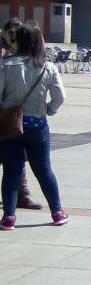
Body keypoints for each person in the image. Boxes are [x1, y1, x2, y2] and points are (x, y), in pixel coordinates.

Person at [0, 23, 69, 230]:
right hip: (37, 125)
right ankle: (57, 212)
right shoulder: (48, 67)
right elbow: (60, 97)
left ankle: (9, 217)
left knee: (11, 171)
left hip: (10, 124)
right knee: (44, 170)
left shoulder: (6, 65)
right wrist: (48, 109)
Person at [0, 19, 44, 212]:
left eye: (15, 34)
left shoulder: (21, 55)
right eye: (10, 33)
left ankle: (22, 195)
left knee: (15, 159)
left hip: (11, 116)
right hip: (5, 113)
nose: (12, 37)